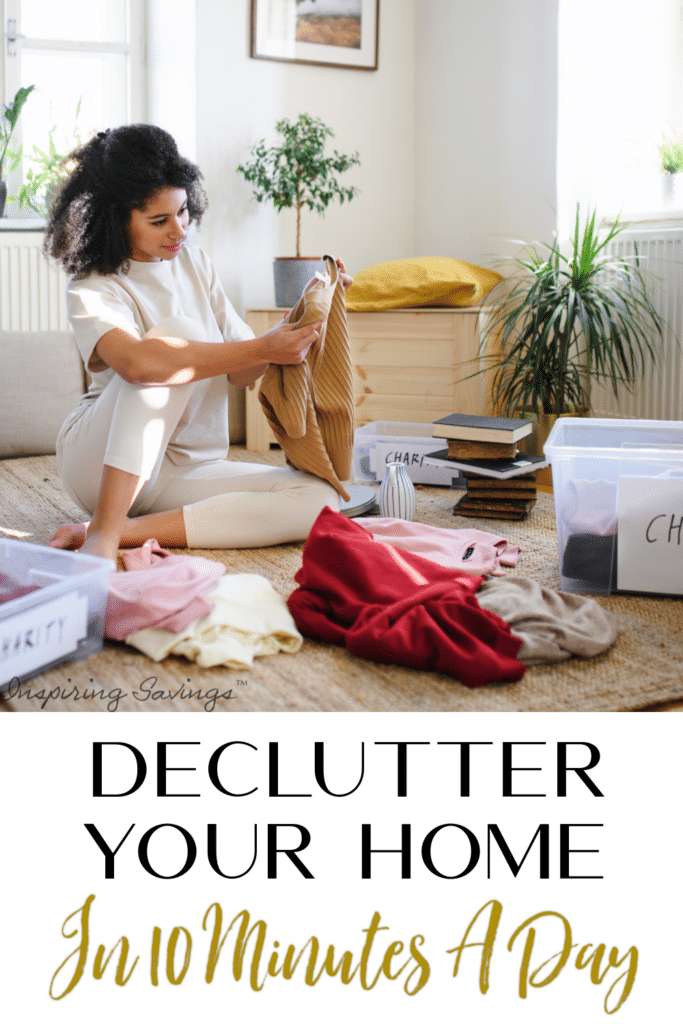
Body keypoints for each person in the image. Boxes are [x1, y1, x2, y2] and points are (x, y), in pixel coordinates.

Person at [44, 124, 352, 562]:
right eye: (159, 220)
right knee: (177, 339)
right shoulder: (92, 286)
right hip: (100, 465)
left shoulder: (195, 263)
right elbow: (138, 365)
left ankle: (126, 530)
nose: (180, 230)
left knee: (321, 499)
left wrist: (304, 317)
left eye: (184, 211)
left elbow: (244, 369)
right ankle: (104, 531)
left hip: (188, 468)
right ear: (116, 219)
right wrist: (262, 348)